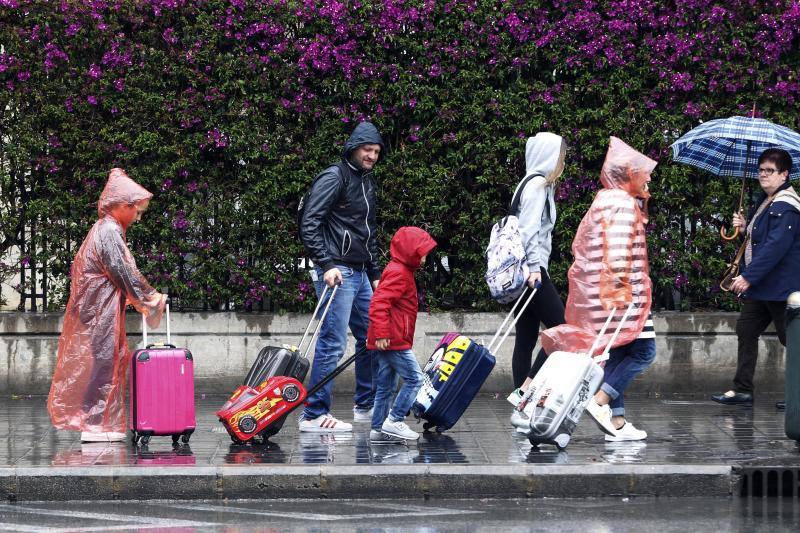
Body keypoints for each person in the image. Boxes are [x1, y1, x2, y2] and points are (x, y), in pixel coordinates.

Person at [541, 137, 658, 442]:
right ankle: (601, 401)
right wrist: (622, 290)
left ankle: (616, 422)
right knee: (645, 351)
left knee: (618, 355)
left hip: (605, 296)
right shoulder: (621, 204)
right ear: (628, 174)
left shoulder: (606, 199)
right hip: (625, 297)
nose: (648, 177)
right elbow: (619, 252)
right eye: (643, 172)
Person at [47, 168, 166, 443]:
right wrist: (150, 298)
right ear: (124, 205)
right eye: (137, 211)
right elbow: (122, 272)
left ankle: (97, 422)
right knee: (103, 362)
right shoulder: (109, 231)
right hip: (99, 311)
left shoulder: (105, 229)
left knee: (105, 361)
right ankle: (94, 423)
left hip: (97, 309)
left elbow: (119, 271)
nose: (139, 217)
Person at [298, 121, 385, 432]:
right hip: (338, 271)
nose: (372, 156)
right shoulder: (334, 177)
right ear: (354, 147)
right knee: (332, 343)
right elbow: (310, 222)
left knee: (372, 338)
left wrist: (374, 272)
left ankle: (365, 405)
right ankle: (313, 415)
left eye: (376, 151)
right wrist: (326, 263)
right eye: (367, 149)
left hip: (360, 273)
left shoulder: (367, 181)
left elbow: (369, 230)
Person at [712, 148, 800, 408]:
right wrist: (742, 229)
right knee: (746, 330)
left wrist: (748, 277)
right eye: (761, 170)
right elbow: (759, 242)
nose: (763, 175)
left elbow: (776, 247)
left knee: (792, 340)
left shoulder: (786, 205)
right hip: (763, 287)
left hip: (781, 287)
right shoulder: (766, 201)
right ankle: (742, 389)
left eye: (769, 171)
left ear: (784, 174)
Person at [506, 133, 568, 433]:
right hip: (532, 272)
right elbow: (528, 231)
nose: (563, 161)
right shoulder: (538, 185)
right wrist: (533, 268)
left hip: (523, 272)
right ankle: (524, 395)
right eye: (560, 155)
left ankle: (521, 409)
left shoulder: (526, 183)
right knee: (562, 332)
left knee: (527, 338)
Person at [367, 226, 437, 442]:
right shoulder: (399, 273)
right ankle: (395, 420)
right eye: (422, 251)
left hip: (389, 338)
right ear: (411, 251)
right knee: (415, 379)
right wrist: (381, 333)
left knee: (385, 387)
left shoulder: (399, 269)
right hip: (393, 340)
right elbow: (379, 302)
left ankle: (378, 430)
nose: (425, 255)